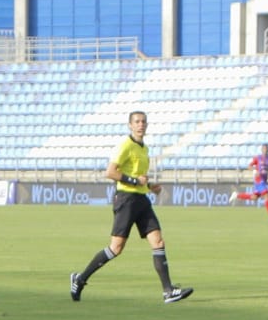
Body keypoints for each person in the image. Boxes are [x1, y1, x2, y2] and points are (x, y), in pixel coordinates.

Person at [69, 111, 193, 304]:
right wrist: (135, 180)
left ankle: (168, 291)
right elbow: (110, 172)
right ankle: (80, 279)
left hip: (141, 199)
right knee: (116, 248)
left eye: (143, 121)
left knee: (158, 241)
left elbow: (139, 176)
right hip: (126, 200)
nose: (140, 125)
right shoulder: (125, 145)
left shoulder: (144, 149)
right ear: (130, 125)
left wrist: (150, 186)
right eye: (137, 122)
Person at [231, 144, 268, 221]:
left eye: (266, 149)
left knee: (254, 197)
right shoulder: (257, 158)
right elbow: (249, 166)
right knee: (266, 195)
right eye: (263, 149)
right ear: (261, 150)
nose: (264, 150)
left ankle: (237, 195)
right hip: (259, 180)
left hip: (264, 180)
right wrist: (255, 170)